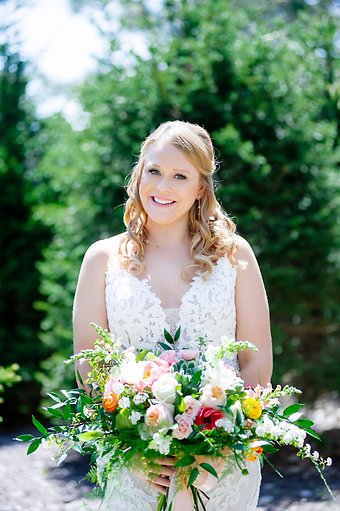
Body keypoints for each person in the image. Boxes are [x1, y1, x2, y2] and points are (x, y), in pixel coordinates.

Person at [73, 120, 273, 510]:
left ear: (200, 188)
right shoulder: (102, 259)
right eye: (155, 171)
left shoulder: (235, 256)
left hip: (223, 465)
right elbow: (89, 366)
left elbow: (257, 360)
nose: (163, 187)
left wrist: (221, 445)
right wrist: (131, 449)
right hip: (134, 465)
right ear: (139, 174)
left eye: (180, 176)